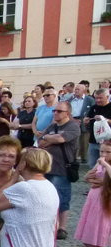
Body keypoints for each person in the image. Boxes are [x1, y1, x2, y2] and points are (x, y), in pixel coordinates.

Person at [38, 100, 80, 239]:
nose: (55, 113)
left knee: (62, 197)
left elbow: (60, 139)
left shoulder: (73, 126)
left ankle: (62, 227)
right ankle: (50, 224)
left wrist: (47, 137)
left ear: (67, 113)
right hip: (47, 167)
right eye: (54, 110)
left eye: (59, 111)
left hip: (63, 168)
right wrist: (49, 138)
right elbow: (40, 142)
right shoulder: (52, 126)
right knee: (46, 198)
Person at [74, 141, 111, 247]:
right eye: (101, 151)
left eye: (108, 152)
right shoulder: (100, 164)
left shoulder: (106, 165)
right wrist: (92, 177)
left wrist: (104, 168)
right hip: (94, 202)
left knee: (91, 239)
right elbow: (88, 178)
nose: (103, 155)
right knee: (95, 239)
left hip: (102, 205)